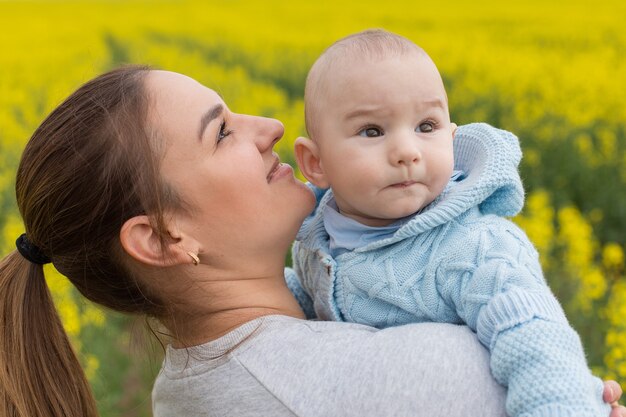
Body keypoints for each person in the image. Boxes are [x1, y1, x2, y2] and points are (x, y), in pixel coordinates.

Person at [0, 66, 623, 417]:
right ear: (164, 237)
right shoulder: (436, 372)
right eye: (220, 133)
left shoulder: (184, 386)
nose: (270, 127)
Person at [292, 29, 614, 417]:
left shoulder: (475, 247)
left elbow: (536, 340)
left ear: (451, 135)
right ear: (316, 163)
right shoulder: (315, 239)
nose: (407, 152)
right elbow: (306, 303)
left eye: (426, 126)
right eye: (372, 131)